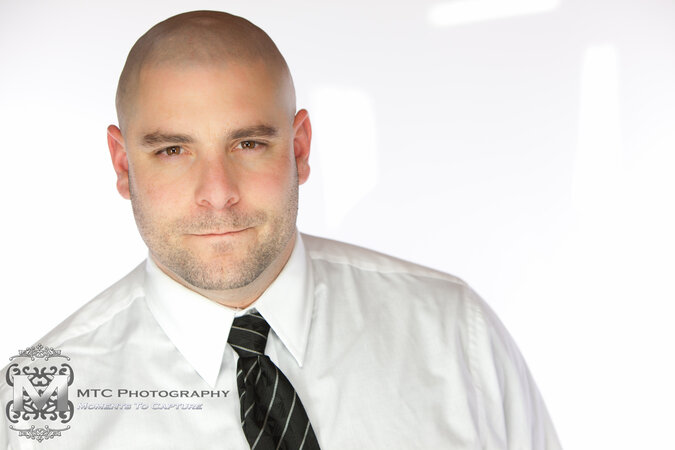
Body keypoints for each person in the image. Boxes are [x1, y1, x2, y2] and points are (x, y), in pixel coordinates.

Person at [0, 10, 562, 450]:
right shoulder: (36, 414)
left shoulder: (454, 336)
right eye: (172, 150)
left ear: (299, 148)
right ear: (123, 166)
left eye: (248, 144)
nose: (218, 192)